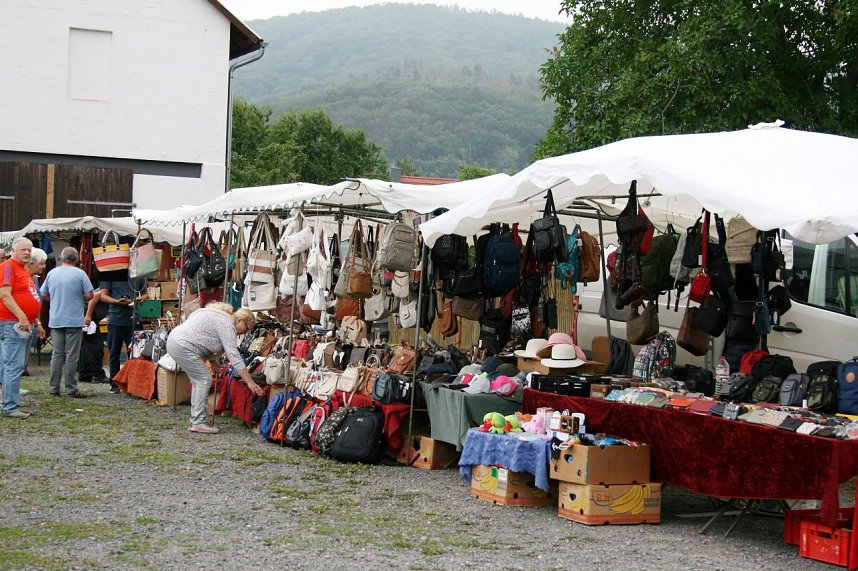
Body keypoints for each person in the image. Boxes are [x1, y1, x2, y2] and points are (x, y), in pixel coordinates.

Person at [166, 302, 263, 434]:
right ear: (239, 320)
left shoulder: (221, 317)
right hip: (183, 345)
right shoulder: (227, 325)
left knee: (199, 381)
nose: (245, 333)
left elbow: (205, 337)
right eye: (246, 328)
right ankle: (198, 422)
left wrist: (213, 362)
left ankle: (197, 419)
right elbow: (234, 356)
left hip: (176, 341)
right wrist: (250, 382)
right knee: (203, 380)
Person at [40, 247, 94, 397]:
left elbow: (43, 294)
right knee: (71, 355)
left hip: (56, 319)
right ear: (76, 259)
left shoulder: (52, 273)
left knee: (57, 355)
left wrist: (55, 300)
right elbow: (90, 295)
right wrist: (79, 298)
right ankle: (70, 388)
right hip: (74, 319)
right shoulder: (80, 274)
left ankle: (54, 388)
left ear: (62, 258)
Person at [0, 238, 43, 418]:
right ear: (13, 251)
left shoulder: (21, 270)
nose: (27, 253)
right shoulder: (9, 267)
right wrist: (22, 316)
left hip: (21, 323)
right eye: (23, 249)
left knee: (9, 363)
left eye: (29, 250)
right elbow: (4, 294)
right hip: (13, 323)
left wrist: (35, 321)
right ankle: (10, 406)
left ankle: (8, 400)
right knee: (14, 365)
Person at [100, 274, 148, 394]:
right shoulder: (110, 274)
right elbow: (103, 296)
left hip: (134, 319)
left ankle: (133, 384)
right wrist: (116, 301)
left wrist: (140, 299)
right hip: (116, 320)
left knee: (134, 354)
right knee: (114, 353)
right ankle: (115, 383)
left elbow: (145, 293)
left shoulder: (138, 275)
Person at [80, 281, 109, 383]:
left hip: (90, 315)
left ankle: (85, 374)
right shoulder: (112, 284)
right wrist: (88, 315)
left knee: (86, 345)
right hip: (89, 316)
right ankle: (98, 375)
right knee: (95, 345)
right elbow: (95, 296)